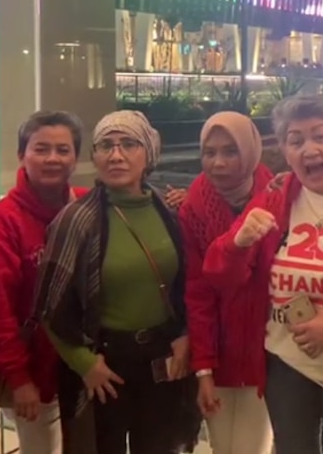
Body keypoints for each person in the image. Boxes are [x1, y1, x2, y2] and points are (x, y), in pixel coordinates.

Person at [203, 95, 323, 454]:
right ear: (283, 149)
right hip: (284, 365)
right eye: (296, 141)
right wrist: (238, 242)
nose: (309, 149)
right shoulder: (275, 196)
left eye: (320, 136)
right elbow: (219, 274)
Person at [30, 110, 201, 454]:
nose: (116, 154)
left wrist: (184, 333)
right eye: (105, 145)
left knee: (159, 446)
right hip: (103, 363)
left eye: (128, 144)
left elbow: (187, 285)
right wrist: (84, 363)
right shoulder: (76, 221)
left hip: (161, 360)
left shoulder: (168, 213)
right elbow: (50, 308)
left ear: (148, 153)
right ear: (94, 156)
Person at [0, 111, 89, 454]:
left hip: (85, 368)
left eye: (63, 150)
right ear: (21, 155)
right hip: (32, 370)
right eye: (41, 149)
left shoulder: (86, 205)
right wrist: (18, 378)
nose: (52, 159)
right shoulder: (5, 220)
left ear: (75, 157)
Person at [180, 111, 274, 454]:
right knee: (223, 447)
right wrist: (203, 370)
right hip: (218, 352)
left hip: (267, 355)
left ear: (250, 150)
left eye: (230, 151)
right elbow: (197, 292)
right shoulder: (194, 208)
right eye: (209, 152)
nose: (218, 163)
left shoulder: (278, 198)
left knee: (253, 448)